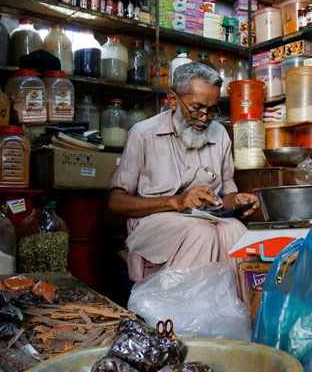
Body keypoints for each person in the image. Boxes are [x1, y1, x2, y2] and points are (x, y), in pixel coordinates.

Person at [108, 62, 259, 285]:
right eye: (197, 108)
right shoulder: (143, 134)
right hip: (151, 223)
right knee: (200, 232)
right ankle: (182, 316)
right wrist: (175, 202)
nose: (205, 118)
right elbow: (116, 202)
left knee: (236, 231)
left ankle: (236, 315)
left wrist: (236, 200)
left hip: (206, 218)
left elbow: (225, 196)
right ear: (173, 100)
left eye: (212, 110)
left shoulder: (220, 136)